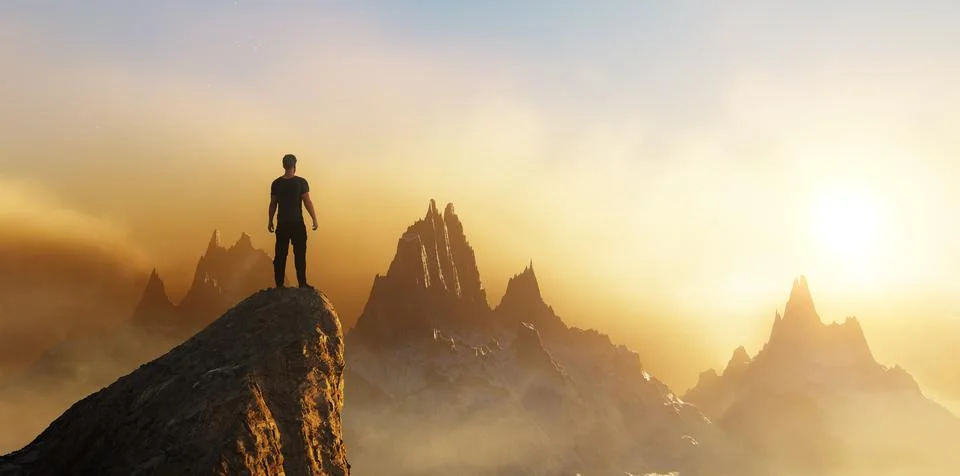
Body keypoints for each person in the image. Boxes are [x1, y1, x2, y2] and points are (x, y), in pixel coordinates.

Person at [268, 154, 318, 289]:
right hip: (297, 223)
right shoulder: (301, 182)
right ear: (294, 166)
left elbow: (273, 204)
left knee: (280, 254)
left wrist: (270, 221)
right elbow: (307, 202)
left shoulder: (276, 183)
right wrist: (314, 218)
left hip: (282, 223)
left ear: (284, 166)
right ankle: (302, 283)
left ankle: (279, 284)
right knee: (300, 254)